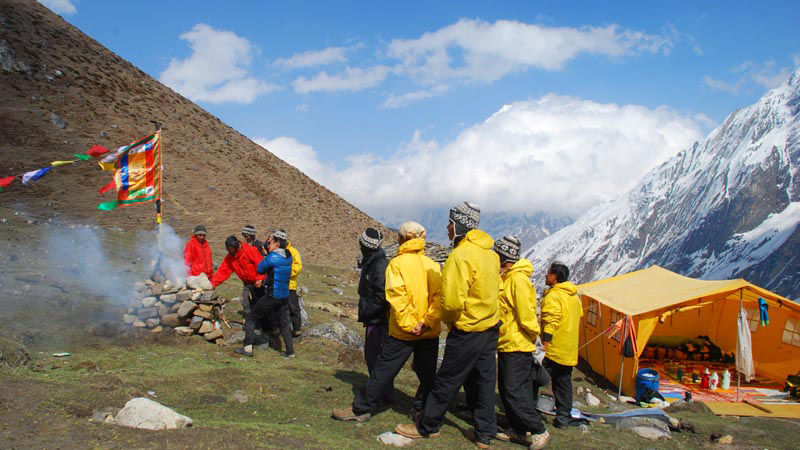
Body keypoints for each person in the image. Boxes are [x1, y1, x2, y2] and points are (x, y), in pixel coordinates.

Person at [395, 201, 501, 449]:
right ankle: (485, 433)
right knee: (485, 381)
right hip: (490, 327)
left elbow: (452, 302)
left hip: (468, 328)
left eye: (451, 223)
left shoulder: (460, 256)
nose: (447, 227)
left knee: (447, 379)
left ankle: (427, 426)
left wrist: (451, 322)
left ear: (460, 225)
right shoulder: (491, 254)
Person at [332, 222, 442, 423]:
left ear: (401, 239)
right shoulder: (432, 265)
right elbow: (438, 298)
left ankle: (360, 409)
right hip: (429, 330)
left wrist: (411, 325)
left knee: (383, 370)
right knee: (427, 374)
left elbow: (397, 297)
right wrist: (426, 322)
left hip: (404, 331)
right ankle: (421, 408)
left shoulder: (397, 264)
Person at [493, 236, 550, 449]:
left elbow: (526, 314)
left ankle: (538, 430)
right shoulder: (508, 277)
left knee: (514, 390)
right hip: (508, 342)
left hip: (517, 343)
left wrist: (533, 334)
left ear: (504, 256)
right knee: (510, 390)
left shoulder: (517, 279)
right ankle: (518, 430)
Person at [236, 230, 294, 358]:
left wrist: (266, 255)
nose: (268, 244)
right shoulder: (289, 256)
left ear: (277, 244)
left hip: (272, 295)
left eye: (271, 242)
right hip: (284, 296)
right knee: (284, 324)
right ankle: (290, 352)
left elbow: (260, 268)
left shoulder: (272, 257)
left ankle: (247, 347)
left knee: (251, 317)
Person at [540, 261, 583, 428]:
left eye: (548, 273)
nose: (546, 275)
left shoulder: (554, 296)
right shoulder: (574, 297)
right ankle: (563, 417)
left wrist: (545, 344)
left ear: (555, 277)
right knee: (563, 383)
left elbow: (550, 321)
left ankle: (528, 411)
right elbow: (578, 316)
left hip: (553, 348)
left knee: (533, 378)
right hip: (569, 348)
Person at [356, 228, 393, 405]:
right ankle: (382, 392)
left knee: (375, 357)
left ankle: (381, 394)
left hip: (378, 320)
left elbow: (381, 296)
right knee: (375, 356)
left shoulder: (378, 266)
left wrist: (368, 312)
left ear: (366, 246)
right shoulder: (373, 262)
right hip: (374, 318)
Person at [285, 234, 304, 337]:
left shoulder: (293, 251)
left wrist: (285, 272)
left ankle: (297, 328)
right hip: (280, 284)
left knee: (293, 307)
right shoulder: (278, 250)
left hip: (290, 285)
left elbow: (298, 267)